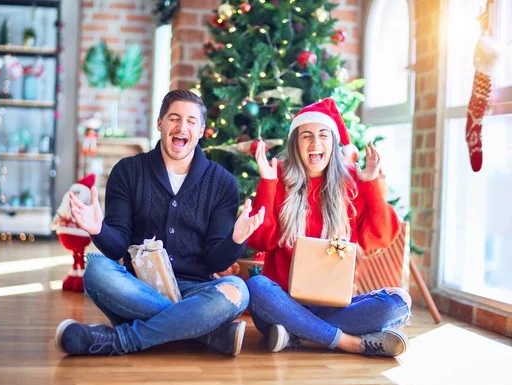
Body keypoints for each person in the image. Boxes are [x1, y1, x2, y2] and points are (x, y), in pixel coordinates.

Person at [54, 90, 265, 357]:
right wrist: (98, 229)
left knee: (238, 291)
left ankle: (122, 339)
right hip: (139, 286)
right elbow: (117, 247)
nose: (181, 127)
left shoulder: (222, 183)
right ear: (160, 124)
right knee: (96, 270)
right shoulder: (128, 171)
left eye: (190, 121)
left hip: (196, 288)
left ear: (201, 130)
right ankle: (206, 332)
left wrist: (236, 239)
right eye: (174, 118)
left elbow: (215, 262)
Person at [246, 97, 412, 357]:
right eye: (307, 136)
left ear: (333, 144)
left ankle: (298, 335)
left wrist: (370, 184)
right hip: (283, 301)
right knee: (256, 287)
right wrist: (267, 183)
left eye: (323, 135)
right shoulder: (279, 180)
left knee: (399, 303)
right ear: (295, 144)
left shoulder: (350, 187)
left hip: (331, 306)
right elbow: (258, 240)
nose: (315, 143)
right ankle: (348, 342)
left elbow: (380, 236)